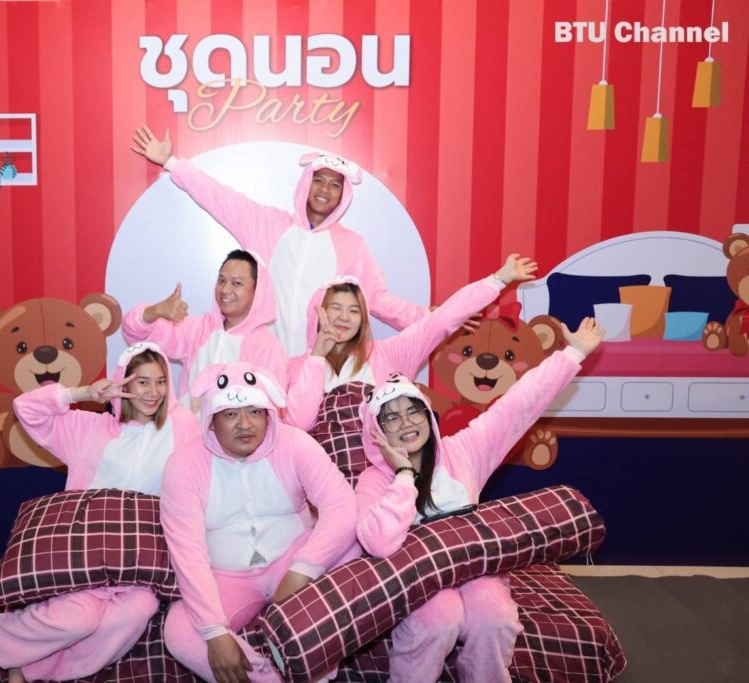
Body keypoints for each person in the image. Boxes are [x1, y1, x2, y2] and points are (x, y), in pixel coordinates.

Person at [354, 317, 606, 683]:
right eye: (391, 418)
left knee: (495, 618)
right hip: (421, 580)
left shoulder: (464, 450)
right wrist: (404, 475)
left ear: (427, 415)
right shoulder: (374, 480)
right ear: (377, 432)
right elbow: (377, 543)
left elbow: (518, 404)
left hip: (475, 568)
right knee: (439, 619)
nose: (406, 423)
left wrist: (574, 353)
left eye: (413, 410)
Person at [0, 342, 198, 683]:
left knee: (141, 609)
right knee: (79, 619)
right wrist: (84, 392)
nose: (154, 392)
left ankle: (27, 667)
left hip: (137, 560)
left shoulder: (183, 427)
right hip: (85, 554)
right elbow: (25, 408)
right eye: (142, 382)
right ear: (123, 382)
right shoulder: (87, 427)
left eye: (161, 381)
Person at [131, 126, 429, 355]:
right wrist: (171, 163)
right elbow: (219, 198)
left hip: (317, 365)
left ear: (343, 194)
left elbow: (376, 299)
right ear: (305, 184)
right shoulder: (268, 223)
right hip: (261, 362)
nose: (324, 190)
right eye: (318, 180)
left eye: (334, 184)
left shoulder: (352, 245)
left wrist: (427, 319)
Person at [159, 363, 357, 683]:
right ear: (211, 419)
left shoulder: (296, 443)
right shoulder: (183, 465)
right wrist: (214, 632)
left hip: (292, 557)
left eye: (254, 411)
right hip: (227, 577)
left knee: (354, 545)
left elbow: (342, 506)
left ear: (268, 414)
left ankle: (315, 657)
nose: (245, 424)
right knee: (180, 631)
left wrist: (302, 569)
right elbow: (187, 552)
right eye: (231, 414)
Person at [285, 254, 538, 431]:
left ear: (363, 319)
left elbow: (441, 320)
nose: (344, 317)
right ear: (319, 312)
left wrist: (498, 280)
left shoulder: (389, 354)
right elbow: (299, 424)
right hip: (323, 482)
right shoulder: (296, 367)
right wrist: (317, 358)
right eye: (335, 308)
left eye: (354, 310)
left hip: (381, 476)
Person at [123, 249, 287, 409]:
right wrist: (155, 311)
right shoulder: (197, 330)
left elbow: (272, 412)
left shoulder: (269, 350)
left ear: (257, 291)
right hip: (187, 427)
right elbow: (136, 336)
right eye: (221, 281)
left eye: (237, 283)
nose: (225, 290)